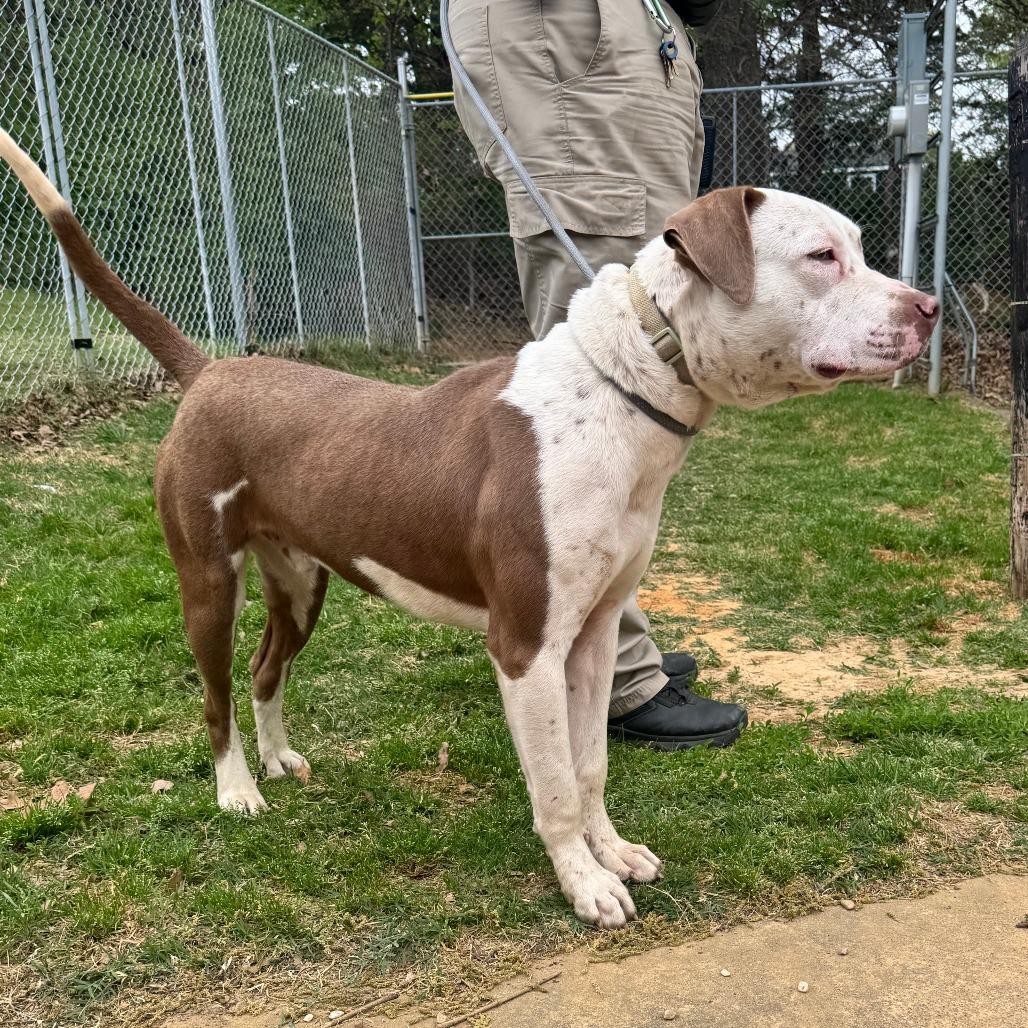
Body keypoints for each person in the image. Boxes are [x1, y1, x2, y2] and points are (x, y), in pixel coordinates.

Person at [446, 0, 747, 749]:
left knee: (638, 420)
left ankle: (607, 634)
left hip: (623, 73)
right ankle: (610, 674)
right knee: (592, 417)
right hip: (573, 65)